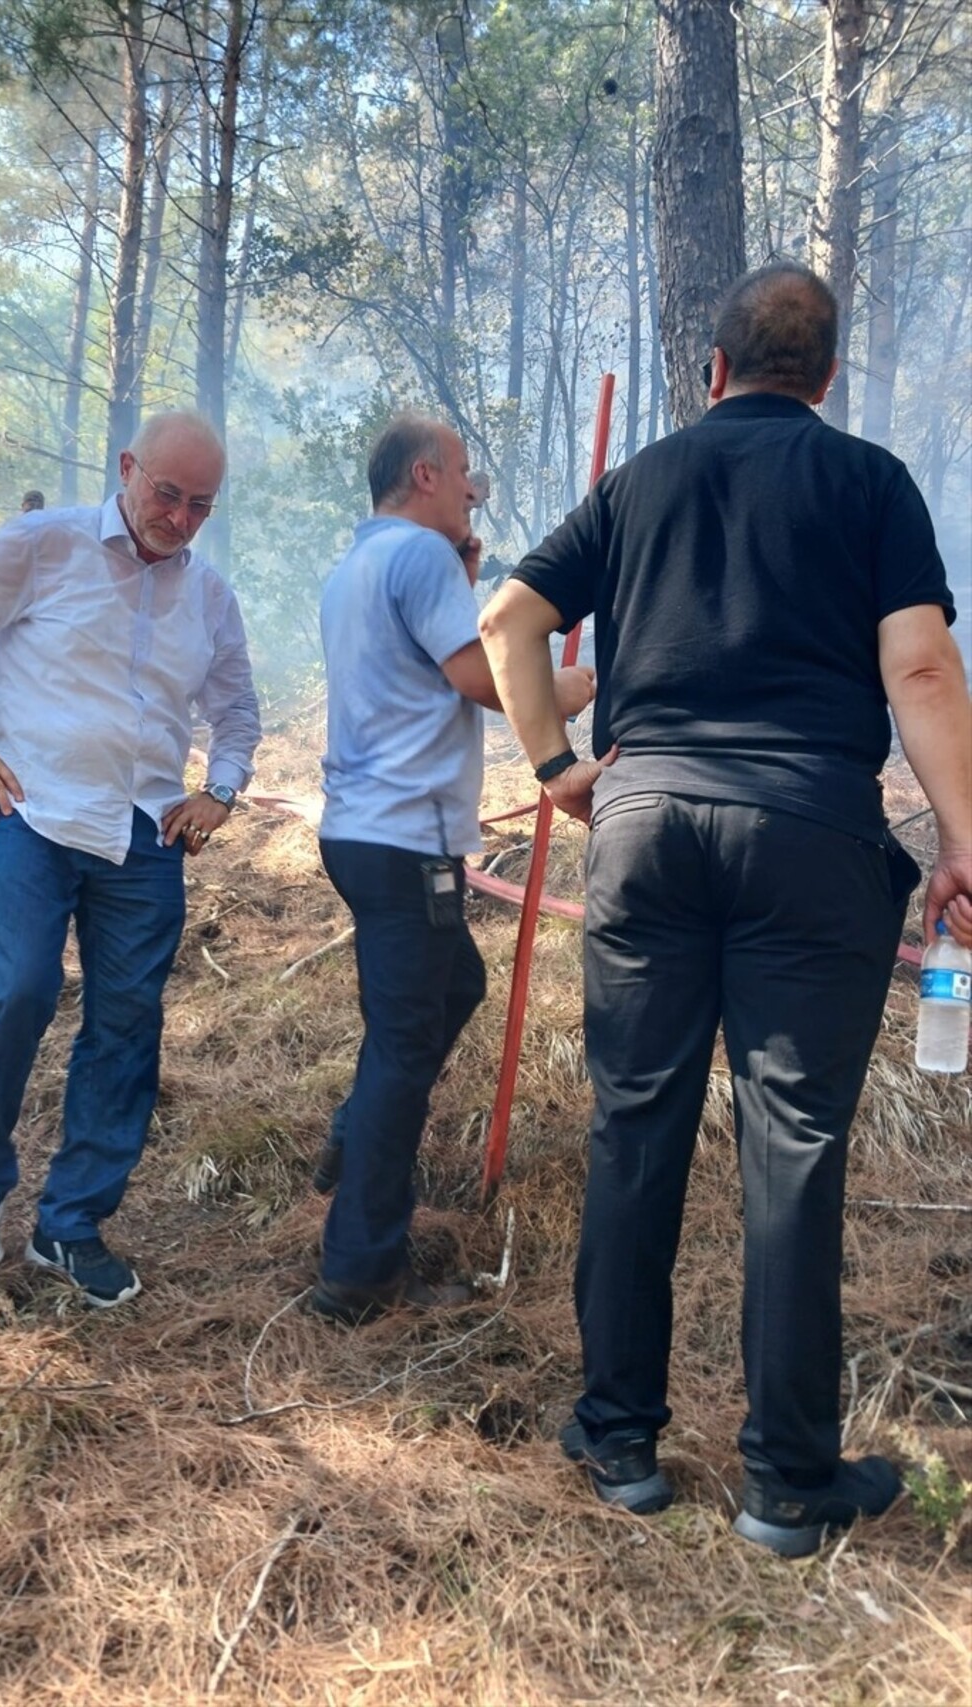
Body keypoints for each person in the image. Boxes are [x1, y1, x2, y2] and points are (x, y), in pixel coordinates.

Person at [479, 262, 970, 1556]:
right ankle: (785, 1482)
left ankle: (619, 1435)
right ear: (826, 378)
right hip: (808, 829)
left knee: (634, 1118)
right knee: (794, 1142)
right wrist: (967, 839)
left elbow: (509, 619)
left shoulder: (639, 479)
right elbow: (918, 662)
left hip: (644, 823)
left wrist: (554, 771)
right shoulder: (869, 481)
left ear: (713, 368)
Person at [0, 411, 261, 1307]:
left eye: (199, 505)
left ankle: (72, 1224)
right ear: (128, 468)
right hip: (31, 811)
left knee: (128, 1026)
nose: (177, 517)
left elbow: (238, 706)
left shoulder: (210, 596)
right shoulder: (45, 543)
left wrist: (222, 787)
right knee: (15, 992)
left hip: (145, 836)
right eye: (165, 493)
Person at [311, 413, 594, 1325]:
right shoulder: (420, 557)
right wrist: (570, 690)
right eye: (466, 473)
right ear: (426, 476)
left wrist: (470, 583)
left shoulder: (355, 565)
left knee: (455, 984)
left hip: (359, 832)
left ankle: (354, 1135)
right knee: (403, 1047)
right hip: (405, 836)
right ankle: (360, 1269)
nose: (476, 491)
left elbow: (422, 669)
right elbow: (479, 678)